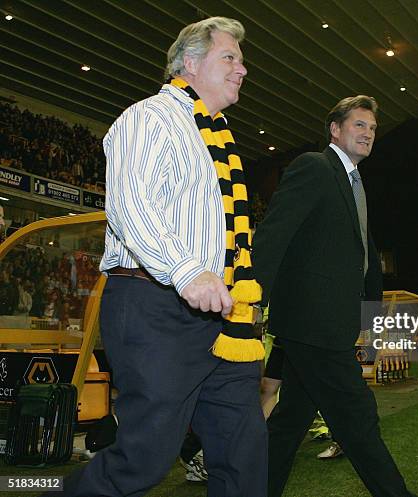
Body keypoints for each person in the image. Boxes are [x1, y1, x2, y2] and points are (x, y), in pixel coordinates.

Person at [48, 17, 267, 497]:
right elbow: (131, 205)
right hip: (156, 306)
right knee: (143, 460)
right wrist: (187, 271)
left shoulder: (219, 137)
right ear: (190, 63)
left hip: (222, 317)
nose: (242, 69)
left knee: (244, 452)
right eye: (230, 57)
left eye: (241, 59)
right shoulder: (149, 117)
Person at [253, 96, 417, 497]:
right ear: (336, 129)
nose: (368, 134)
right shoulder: (315, 166)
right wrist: (252, 299)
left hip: (330, 323)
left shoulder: (355, 182)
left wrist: (371, 310)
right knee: (357, 415)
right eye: (359, 125)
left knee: (289, 421)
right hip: (313, 323)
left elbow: (363, 252)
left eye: (373, 128)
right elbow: (274, 234)